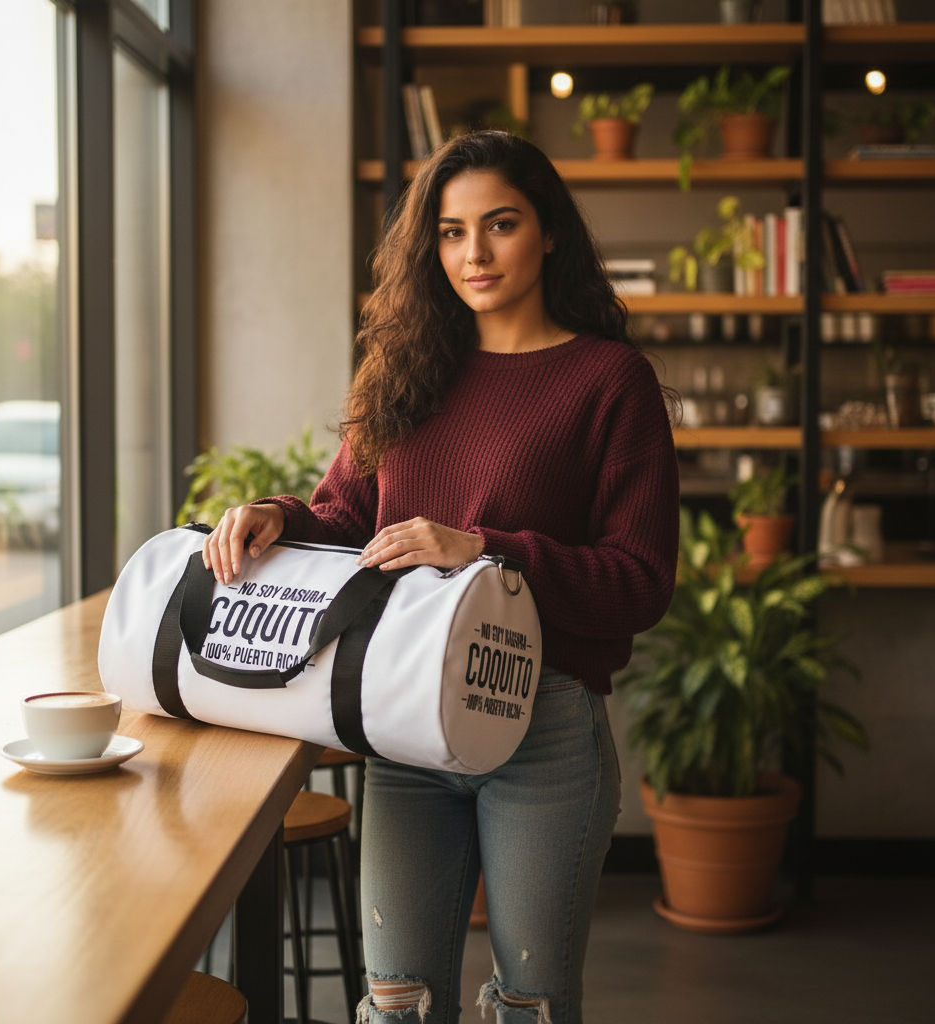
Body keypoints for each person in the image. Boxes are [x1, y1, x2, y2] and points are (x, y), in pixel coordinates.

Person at [203, 131, 679, 1024]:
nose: (475, 254)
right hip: (407, 723)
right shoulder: (405, 371)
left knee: (529, 1006)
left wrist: (486, 551)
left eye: (499, 225)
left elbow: (642, 579)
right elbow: (350, 521)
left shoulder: (611, 382)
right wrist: (278, 518)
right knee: (397, 1002)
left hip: (545, 726)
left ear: (547, 234)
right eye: (453, 233)